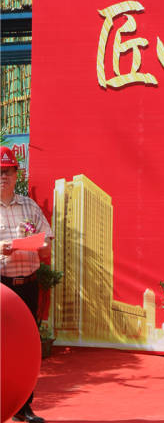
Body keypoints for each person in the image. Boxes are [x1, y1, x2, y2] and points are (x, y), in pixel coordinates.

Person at [0, 146, 53, 423]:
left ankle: (23, 405)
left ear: (16, 174)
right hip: (2, 288)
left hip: (28, 286)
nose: (3, 177)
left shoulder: (29, 207)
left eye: (8, 172)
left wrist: (38, 245)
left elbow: (47, 243)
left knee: (25, 350)